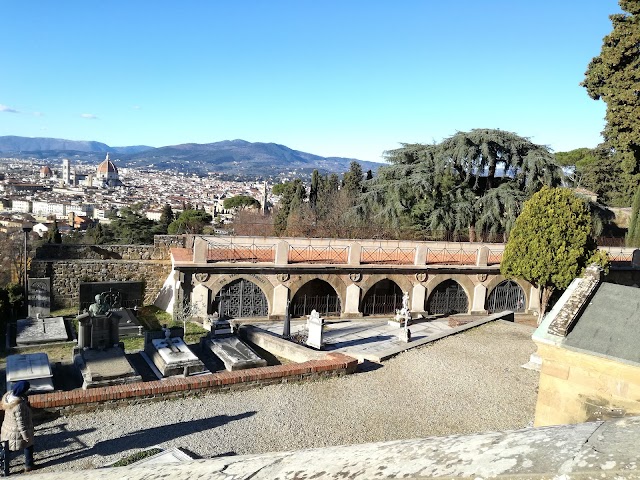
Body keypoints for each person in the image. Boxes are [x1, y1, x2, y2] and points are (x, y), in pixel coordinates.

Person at [1, 381, 35, 474]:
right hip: (16, 431)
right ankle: (29, 465)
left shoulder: (8, 397)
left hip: (8, 428)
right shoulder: (19, 406)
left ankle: (2, 461)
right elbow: (21, 423)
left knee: (8, 448)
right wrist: (25, 435)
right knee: (28, 445)